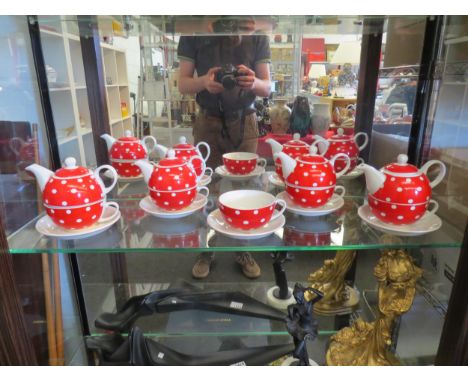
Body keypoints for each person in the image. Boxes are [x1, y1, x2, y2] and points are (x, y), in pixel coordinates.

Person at [177, 17, 272, 280]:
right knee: (208, 188)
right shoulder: (195, 30)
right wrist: (203, 82)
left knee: (247, 190)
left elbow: (267, 87)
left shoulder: (257, 33)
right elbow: (183, 83)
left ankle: (241, 248)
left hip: (246, 121)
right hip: (207, 120)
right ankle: (207, 248)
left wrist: (253, 82)